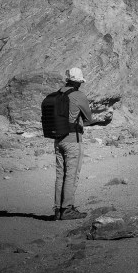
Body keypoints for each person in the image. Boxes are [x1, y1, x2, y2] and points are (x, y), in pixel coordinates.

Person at [53, 67, 110, 220]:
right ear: (78, 82)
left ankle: (58, 209)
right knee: (71, 175)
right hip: (73, 140)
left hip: (58, 139)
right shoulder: (78, 95)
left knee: (60, 175)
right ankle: (67, 209)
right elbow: (89, 118)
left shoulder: (58, 94)